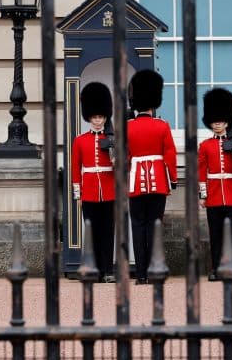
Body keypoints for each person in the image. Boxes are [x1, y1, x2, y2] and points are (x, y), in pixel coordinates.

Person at [127, 69, 177, 284]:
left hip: (136, 182)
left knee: (138, 227)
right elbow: (170, 155)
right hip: (158, 182)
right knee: (155, 225)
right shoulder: (162, 125)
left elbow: (124, 156)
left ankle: (140, 275)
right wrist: (172, 180)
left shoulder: (127, 127)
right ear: (154, 103)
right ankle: (155, 270)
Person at [199, 87, 232, 281]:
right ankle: (215, 269)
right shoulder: (205, 145)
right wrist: (203, 196)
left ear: (227, 122)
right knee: (215, 234)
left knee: (231, 233)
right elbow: (201, 172)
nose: (217, 124)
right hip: (213, 195)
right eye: (214, 121)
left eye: (220, 121)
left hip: (230, 194)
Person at [71, 82, 116, 282]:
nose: (98, 121)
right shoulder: (80, 140)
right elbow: (75, 168)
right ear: (89, 117)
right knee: (92, 232)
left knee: (108, 233)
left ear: (105, 117)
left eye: (101, 117)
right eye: (95, 117)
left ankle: (108, 270)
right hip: (88, 191)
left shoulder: (113, 139)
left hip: (109, 190)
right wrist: (77, 193)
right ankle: (94, 269)